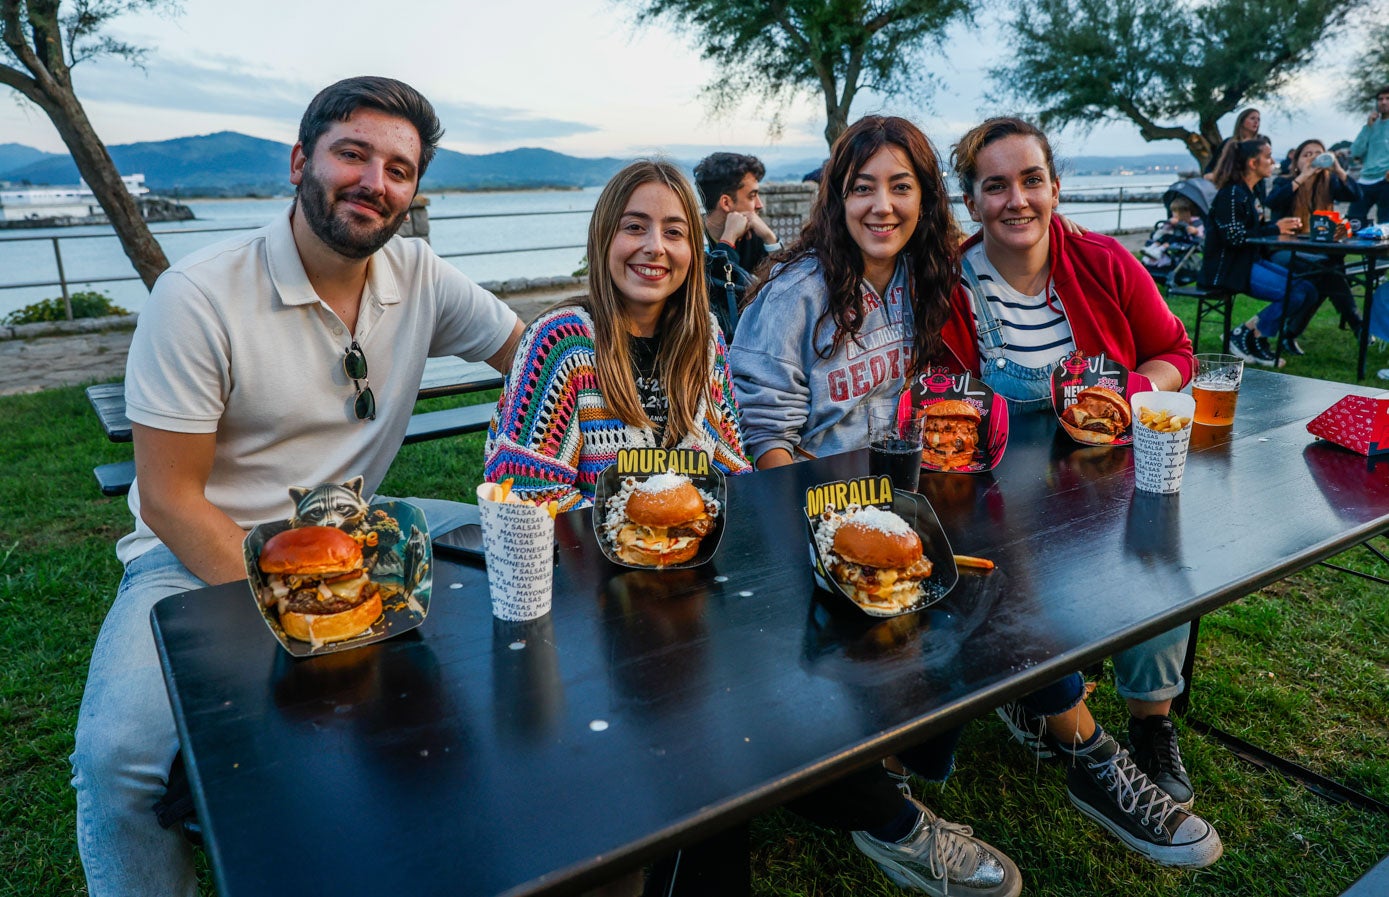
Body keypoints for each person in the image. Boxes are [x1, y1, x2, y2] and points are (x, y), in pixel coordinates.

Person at [68, 76, 525, 897]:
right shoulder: (199, 296)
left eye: (398, 167)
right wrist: (307, 613)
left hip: (360, 530)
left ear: (413, 189)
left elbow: (532, 358)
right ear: (298, 161)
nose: (373, 182)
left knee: (520, 538)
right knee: (117, 764)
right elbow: (170, 498)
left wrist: (613, 368)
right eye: (352, 153)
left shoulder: (417, 274)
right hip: (190, 553)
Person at [733, 115, 1023, 897]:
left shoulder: (919, 282)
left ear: (926, 198)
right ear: (836, 197)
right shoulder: (793, 293)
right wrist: (826, 531)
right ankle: (874, 798)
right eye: (862, 188)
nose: (881, 205)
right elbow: (766, 434)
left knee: (992, 592)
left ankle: (899, 750)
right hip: (806, 520)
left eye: (901, 187)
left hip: (899, 504)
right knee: (862, 641)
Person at [944, 116, 1221, 870]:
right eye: (994, 184)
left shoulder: (1103, 261)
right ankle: (1045, 704)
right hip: (998, 500)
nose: (1016, 199)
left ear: (1055, 188)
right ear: (970, 201)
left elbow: (1175, 352)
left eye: (1030, 179)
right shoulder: (947, 284)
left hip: (1101, 474)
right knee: (1008, 573)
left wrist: (1120, 395)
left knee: (1156, 548)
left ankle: (1150, 723)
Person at [484, 159, 751, 510]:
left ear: (692, 251)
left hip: (693, 550)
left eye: (674, 232)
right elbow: (527, 491)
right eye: (635, 227)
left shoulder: (705, 342)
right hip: (584, 560)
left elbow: (731, 466)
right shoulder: (560, 342)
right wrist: (641, 529)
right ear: (604, 237)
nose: (656, 246)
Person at [1202, 138, 1317, 366]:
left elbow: (1249, 231)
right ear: (1253, 163)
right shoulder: (1232, 194)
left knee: (1308, 289)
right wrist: (1275, 228)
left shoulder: (1248, 193)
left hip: (1248, 261)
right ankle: (1251, 337)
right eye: (1268, 156)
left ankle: (1250, 334)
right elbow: (1234, 238)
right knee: (1294, 293)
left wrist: (1278, 227)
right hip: (1228, 269)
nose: (1273, 162)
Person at [1266, 138, 1365, 352]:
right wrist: (1304, 176)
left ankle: (1290, 334)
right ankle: (1357, 325)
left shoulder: (1329, 182)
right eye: (1307, 154)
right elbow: (1272, 201)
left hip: (1319, 251)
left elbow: (1357, 195)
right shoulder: (1284, 182)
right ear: (1297, 161)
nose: (1312, 158)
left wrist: (1337, 168)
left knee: (1325, 274)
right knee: (1328, 273)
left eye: (1317, 153)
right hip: (1285, 250)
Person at [692, 152, 782, 338]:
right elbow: (713, 294)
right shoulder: (692, 240)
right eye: (752, 196)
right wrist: (728, 240)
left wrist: (770, 239)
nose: (759, 205)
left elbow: (783, 288)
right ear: (726, 202)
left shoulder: (754, 237)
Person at [1348, 86, 1389, 224]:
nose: (1383, 102)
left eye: (1388, 99)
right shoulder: (1371, 125)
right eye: (1380, 99)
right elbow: (1355, 152)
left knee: (1385, 223)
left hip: (1386, 179)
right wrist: (1368, 127)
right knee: (1354, 219)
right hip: (1366, 179)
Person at [1202, 108, 1263, 180]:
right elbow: (1211, 167)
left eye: (1258, 119)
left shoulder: (1261, 144)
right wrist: (1213, 176)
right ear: (1242, 121)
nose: (1256, 122)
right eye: (1252, 118)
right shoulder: (1229, 143)